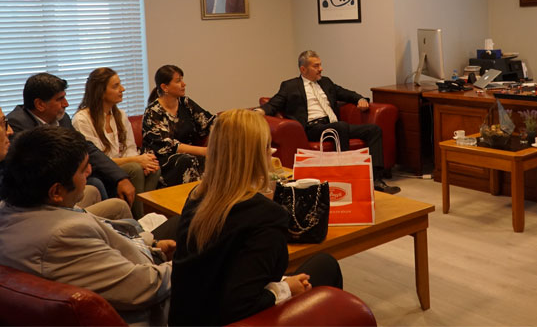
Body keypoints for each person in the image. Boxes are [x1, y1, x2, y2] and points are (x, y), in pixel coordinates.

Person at [0, 126, 173, 326]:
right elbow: (145, 287)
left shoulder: (5, 210)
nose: (90, 171)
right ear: (56, 192)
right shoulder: (63, 236)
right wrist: (185, 265)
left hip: (139, 260)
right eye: (83, 169)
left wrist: (154, 247)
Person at [169, 109, 343, 326]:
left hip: (187, 318)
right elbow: (240, 306)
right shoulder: (267, 216)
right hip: (234, 318)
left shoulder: (197, 197)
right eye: (268, 146)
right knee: (326, 266)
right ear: (257, 154)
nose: (272, 153)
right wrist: (285, 288)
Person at [0, 98, 132, 238]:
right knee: (118, 207)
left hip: (42, 220)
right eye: (2, 123)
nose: (10, 131)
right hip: (49, 231)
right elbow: (40, 226)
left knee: (91, 189)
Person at [257, 50, 400, 194]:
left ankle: (376, 180)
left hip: (334, 125)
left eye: (320, 65)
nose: (321, 69)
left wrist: (361, 99)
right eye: (316, 66)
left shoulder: (326, 82)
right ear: (303, 69)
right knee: (340, 126)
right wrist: (260, 111)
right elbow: (275, 103)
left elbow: (346, 93)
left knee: (373, 130)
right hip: (313, 128)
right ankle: (346, 177)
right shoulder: (290, 86)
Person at [6, 72, 135, 205]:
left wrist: (120, 178)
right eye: (60, 99)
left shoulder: (62, 119)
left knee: (103, 180)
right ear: (40, 104)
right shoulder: (18, 124)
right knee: (97, 186)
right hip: (42, 194)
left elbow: (85, 147)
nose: (66, 104)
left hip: (65, 180)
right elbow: (39, 168)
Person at [73, 67, 162, 218]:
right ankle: (138, 219)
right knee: (134, 168)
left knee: (153, 168)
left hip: (122, 165)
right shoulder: (82, 119)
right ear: (100, 91)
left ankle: (145, 216)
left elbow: (130, 148)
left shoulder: (120, 114)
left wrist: (142, 161)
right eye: (115, 86)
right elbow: (98, 160)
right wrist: (137, 160)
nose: (122, 89)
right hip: (101, 172)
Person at [143, 65, 214, 187]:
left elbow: (207, 121)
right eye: (178, 81)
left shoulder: (185, 103)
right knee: (187, 160)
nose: (184, 84)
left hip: (191, 155)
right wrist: (205, 151)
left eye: (182, 79)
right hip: (164, 162)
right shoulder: (153, 112)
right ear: (165, 87)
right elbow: (169, 146)